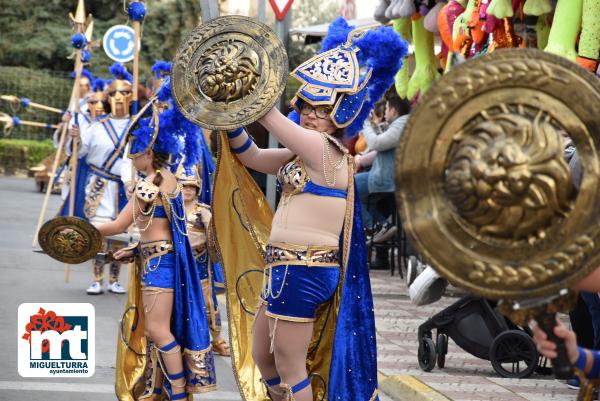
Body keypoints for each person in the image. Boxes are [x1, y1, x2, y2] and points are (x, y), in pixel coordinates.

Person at [216, 17, 407, 401]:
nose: (309, 114)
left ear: (340, 115)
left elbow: (269, 117)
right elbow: (251, 155)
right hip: (284, 267)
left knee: (288, 364)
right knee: (263, 358)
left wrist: (239, 88)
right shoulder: (301, 152)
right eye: (305, 106)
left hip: (305, 268)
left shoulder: (324, 151)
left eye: (320, 109)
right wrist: (227, 120)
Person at [103, 80, 216, 400]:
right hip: (158, 258)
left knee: (157, 331)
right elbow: (159, 228)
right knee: (157, 332)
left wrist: (78, 229)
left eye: (134, 154)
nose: (132, 159)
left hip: (159, 265)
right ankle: (158, 389)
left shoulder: (149, 184)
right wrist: (136, 249)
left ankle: (178, 391)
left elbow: (117, 225)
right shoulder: (168, 180)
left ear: (149, 152)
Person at [67, 64, 134, 295]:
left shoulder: (136, 127)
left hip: (124, 186)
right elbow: (81, 152)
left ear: (130, 96)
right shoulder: (97, 126)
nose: (118, 98)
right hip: (98, 185)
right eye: (113, 94)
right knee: (98, 230)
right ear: (107, 98)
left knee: (121, 234)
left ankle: (115, 278)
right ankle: (97, 278)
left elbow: (134, 159)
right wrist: (76, 139)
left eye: (124, 93)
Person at [178, 164, 230, 356]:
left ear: (197, 190)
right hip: (178, 262)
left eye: (191, 187)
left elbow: (214, 236)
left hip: (199, 262)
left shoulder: (203, 211)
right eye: (184, 186)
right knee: (179, 301)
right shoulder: (173, 209)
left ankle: (217, 339)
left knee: (207, 303)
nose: (188, 190)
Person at [355, 95, 410, 240]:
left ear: (394, 110)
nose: (385, 111)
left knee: (349, 186)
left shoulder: (403, 124)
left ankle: (375, 226)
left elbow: (376, 144)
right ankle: (380, 226)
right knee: (361, 195)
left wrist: (365, 123)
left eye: (387, 108)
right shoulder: (401, 123)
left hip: (386, 177)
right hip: (386, 175)